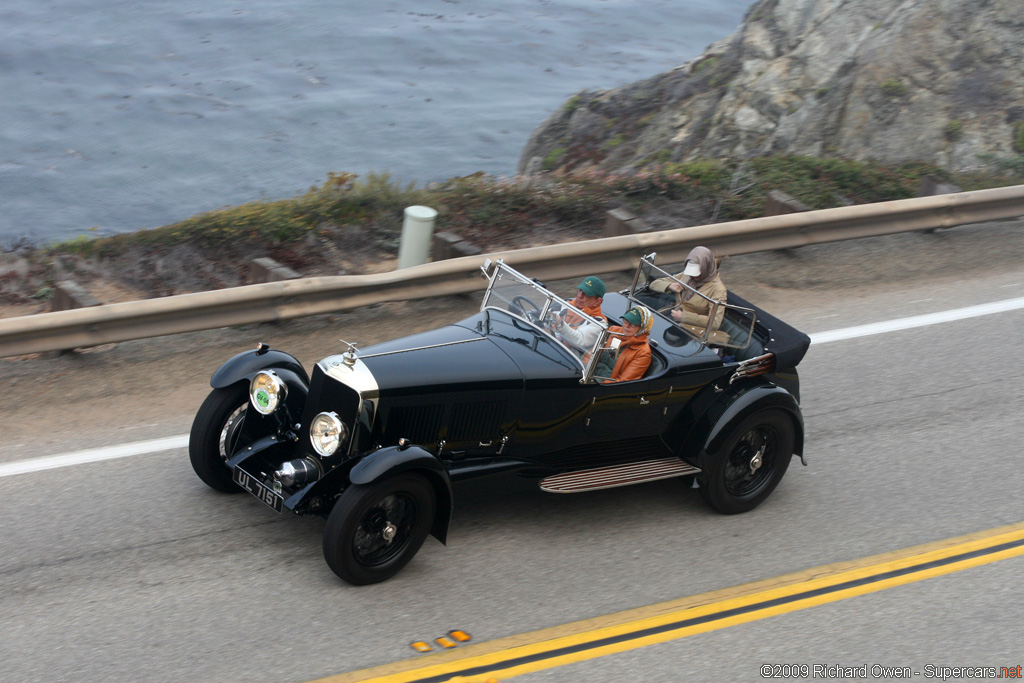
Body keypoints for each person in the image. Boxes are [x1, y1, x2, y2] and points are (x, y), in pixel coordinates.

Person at [649, 246, 727, 330]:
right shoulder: (686, 275)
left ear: (706, 268)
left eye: (697, 272)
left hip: (690, 330)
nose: (693, 275)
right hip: (670, 318)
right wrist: (669, 286)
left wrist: (684, 317)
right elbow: (654, 284)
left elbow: (715, 322)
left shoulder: (718, 289)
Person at [600, 305, 653, 383]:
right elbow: (590, 354)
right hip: (589, 374)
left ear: (643, 328)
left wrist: (599, 383)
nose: (626, 326)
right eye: (625, 321)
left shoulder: (643, 353)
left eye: (633, 324)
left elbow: (623, 381)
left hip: (604, 384)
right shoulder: (613, 330)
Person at [552, 275, 608, 350]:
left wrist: (560, 324)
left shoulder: (599, 323)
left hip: (567, 357)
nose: (579, 296)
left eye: (586, 294)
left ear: (598, 301)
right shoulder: (564, 304)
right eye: (580, 291)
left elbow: (579, 339)